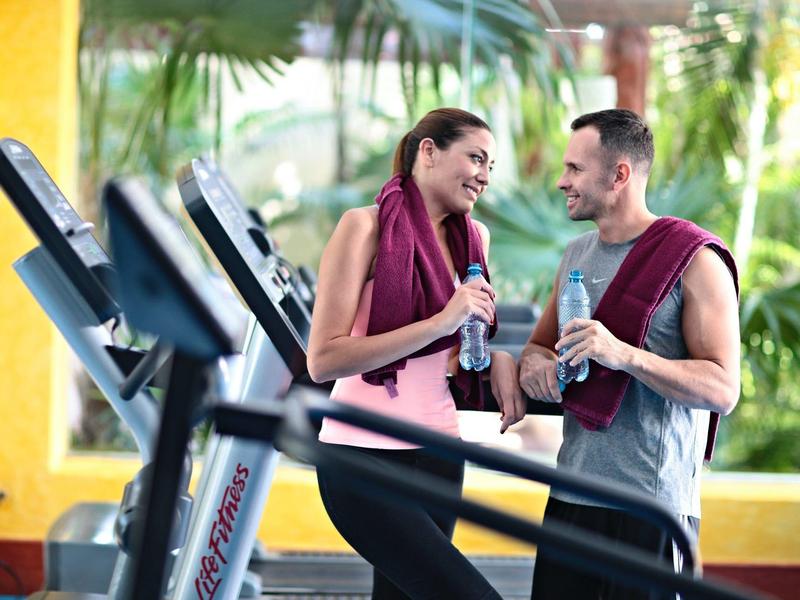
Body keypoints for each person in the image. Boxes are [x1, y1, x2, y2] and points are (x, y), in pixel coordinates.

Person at [518, 109, 740, 599]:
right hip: (571, 496)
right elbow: (537, 347)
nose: (561, 181)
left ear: (619, 174)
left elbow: (724, 388)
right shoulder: (576, 254)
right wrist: (536, 366)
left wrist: (623, 354)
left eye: (575, 168)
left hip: (651, 508)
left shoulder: (697, 261)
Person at [307, 107, 523, 599]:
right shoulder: (363, 228)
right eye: (476, 158)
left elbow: (452, 354)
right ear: (429, 151)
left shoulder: (475, 238)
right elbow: (323, 359)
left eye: (491, 166)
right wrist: (441, 321)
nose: (485, 177)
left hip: (439, 451)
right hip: (361, 455)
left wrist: (498, 359)